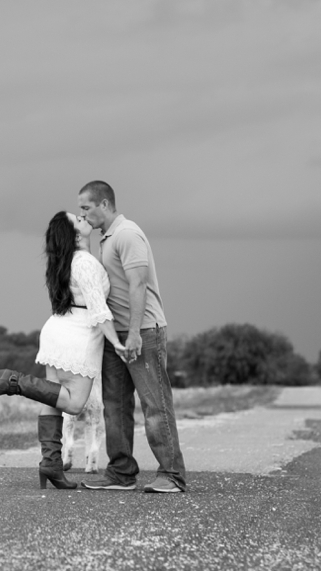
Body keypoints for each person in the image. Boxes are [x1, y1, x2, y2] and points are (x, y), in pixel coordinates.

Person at [0, 211, 126, 490]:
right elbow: (99, 310)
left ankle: (50, 465)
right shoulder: (84, 262)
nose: (85, 219)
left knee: (53, 401)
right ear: (74, 235)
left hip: (57, 331)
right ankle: (13, 381)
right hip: (78, 336)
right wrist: (118, 344)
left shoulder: (64, 262)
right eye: (79, 220)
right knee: (73, 405)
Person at [77, 180, 187, 493]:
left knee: (155, 404)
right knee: (115, 405)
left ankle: (172, 475)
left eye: (86, 207)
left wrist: (136, 333)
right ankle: (121, 473)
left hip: (143, 332)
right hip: (116, 334)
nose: (82, 214)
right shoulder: (107, 238)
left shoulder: (127, 234)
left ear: (104, 204)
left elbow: (138, 285)